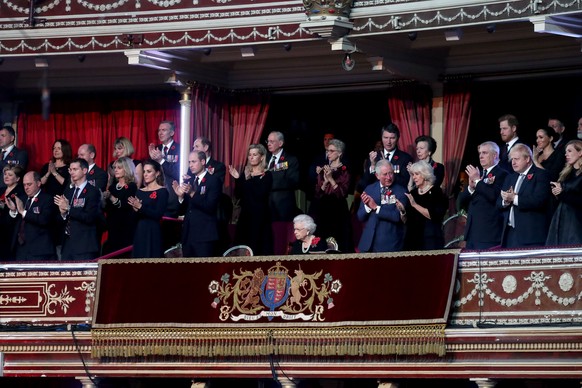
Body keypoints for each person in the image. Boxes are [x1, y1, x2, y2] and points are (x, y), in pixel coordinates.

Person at [499, 144, 550, 248]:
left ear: (527, 159)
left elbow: (539, 201)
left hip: (531, 236)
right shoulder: (510, 178)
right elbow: (498, 203)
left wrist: (514, 198)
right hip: (510, 234)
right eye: (512, 159)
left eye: (516, 159)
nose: (513, 162)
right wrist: (506, 201)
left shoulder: (540, 175)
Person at [458, 142, 508, 249]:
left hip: (489, 233)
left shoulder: (503, 174)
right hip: (472, 233)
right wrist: (470, 188)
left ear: (495, 155)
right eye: (480, 153)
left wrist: (477, 181)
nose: (481, 156)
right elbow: (461, 201)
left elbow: (494, 196)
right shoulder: (477, 173)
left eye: (484, 153)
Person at [173, 151, 221, 258]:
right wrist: (180, 197)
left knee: (204, 272)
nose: (190, 165)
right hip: (188, 235)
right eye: (189, 162)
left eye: (194, 162)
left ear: (203, 161)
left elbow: (210, 206)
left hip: (204, 236)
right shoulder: (190, 181)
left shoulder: (213, 180)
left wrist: (192, 193)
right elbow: (183, 210)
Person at [229, 144, 273, 256]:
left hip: (260, 218)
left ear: (262, 157)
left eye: (254, 154)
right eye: (249, 155)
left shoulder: (267, 175)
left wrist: (248, 179)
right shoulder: (245, 174)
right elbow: (238, 195)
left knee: (257, 248)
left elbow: (260, 195)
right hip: (245, 217)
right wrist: (238, 179)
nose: (251, 157)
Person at [54, 158, 102, 260]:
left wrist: (68, 208)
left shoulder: (93, 192)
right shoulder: (69, 192)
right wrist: (63, 214)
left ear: (84, 171)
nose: (72, 172)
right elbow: (61, 219)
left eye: (75, 169)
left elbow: (90, 217)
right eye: (70, 170)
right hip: (67, 245)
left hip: (84, 246)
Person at [310, 139, 353, 253]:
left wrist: (331, 179)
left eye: (331, 151)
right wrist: (324, 181)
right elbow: (317, 193)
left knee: (339, 242)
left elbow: (342, 193)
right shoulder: (324, 169)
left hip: (338, 211)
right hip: (323, 210)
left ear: (339, 153)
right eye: (327, 151)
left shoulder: (345, 171)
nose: (328, 153)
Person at [357, 159, 408, 253]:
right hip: (368, 244)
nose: (389, 177)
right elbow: (360, 216)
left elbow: (397, 217)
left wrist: (376, 207)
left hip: (389, 244)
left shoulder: (401, 191)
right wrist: (368, 207)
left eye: (391, 173)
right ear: (377, 175)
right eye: (385, 174)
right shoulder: (369, 189)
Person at [7, 171, 57, 261]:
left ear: (38, 183)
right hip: (20, 250)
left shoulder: (47, 199)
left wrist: (23, 211)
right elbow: (12, 224)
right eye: (24, 185)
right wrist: (13, 211)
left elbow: (44, 220)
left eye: (29, 184)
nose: (26, 187)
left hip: (40, 251)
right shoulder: (21, 199)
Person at [404, 161, 448, 251]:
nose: (414, 177)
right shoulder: (413, 193)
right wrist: (402, 211)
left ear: (424, 175)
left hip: (430, 240)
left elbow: (434, 215)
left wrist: (415, 205)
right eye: (413, 174)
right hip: (413, 240)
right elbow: (406, 220)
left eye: (417, 174)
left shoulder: (437, 192)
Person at [129, 159, 168, 258]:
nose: (145, 174)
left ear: (157, 173)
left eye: (149, 171)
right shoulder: (140, 191)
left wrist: (140, 207)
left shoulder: (162, 192)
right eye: (144, 171)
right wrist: (135, 209)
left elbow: (158, 214)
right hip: (140, 231)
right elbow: (133, 218)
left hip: (153, 231)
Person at [546, 140, 582, 246]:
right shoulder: (565, 174)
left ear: (580, 153)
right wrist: (556, 192)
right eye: (566, 151)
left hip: (576, 221)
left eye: (570, 151)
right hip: (560, 218)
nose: (566, 154)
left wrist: (562, 193)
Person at [359, 123, 413, 192]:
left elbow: (405, 183)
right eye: (386, 138)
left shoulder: (405, 158)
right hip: (376, 196)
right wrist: (372, 166)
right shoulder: (375, 157)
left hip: (395, 196)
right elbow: (364, 183)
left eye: (392, 138)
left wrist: (388, 168)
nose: (388, 141)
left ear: (398, 138)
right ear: (381, 137)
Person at [102, 157, 138, 255]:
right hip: (113, 227)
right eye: (115, 168)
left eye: (119, 168)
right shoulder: (112, 187)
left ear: (126, 169)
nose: (116, 170)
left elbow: (125, 205)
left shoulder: (131, 186)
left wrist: (111, 197)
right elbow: (107, 209)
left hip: (125, 228)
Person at [266, 131, 300, 222]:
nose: (268, 144)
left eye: (272, 141)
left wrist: (268, 181)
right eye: (268, 141)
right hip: (265, 205)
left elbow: (293, 181)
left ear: (280, 143)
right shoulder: (264, 159)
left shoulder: (290, 160)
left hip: (283, 205)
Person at [149, 120, 181, 217]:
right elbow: (150, 173)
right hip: (156, 196)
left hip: (172, 197)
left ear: (172, 133)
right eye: (159, 130)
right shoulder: (156, 150)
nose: (160, 133)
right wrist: (151, 161)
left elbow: (178, 172)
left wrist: (161, 160)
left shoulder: (180, 149)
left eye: (164, 130)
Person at [0, 165, 25, 260]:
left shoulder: (21, 192)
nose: (6, 177)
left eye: (10, 175)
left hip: (10, 232)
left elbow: (19, 212)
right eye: (5, 174)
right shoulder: (1, 190)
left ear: (18, 178)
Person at [0, 125, 28, 191]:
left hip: (10, 191)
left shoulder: (20, 153)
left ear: (12, 138)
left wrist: (1, 162)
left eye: (3, 136)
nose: (0, 138)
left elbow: (18, 171)